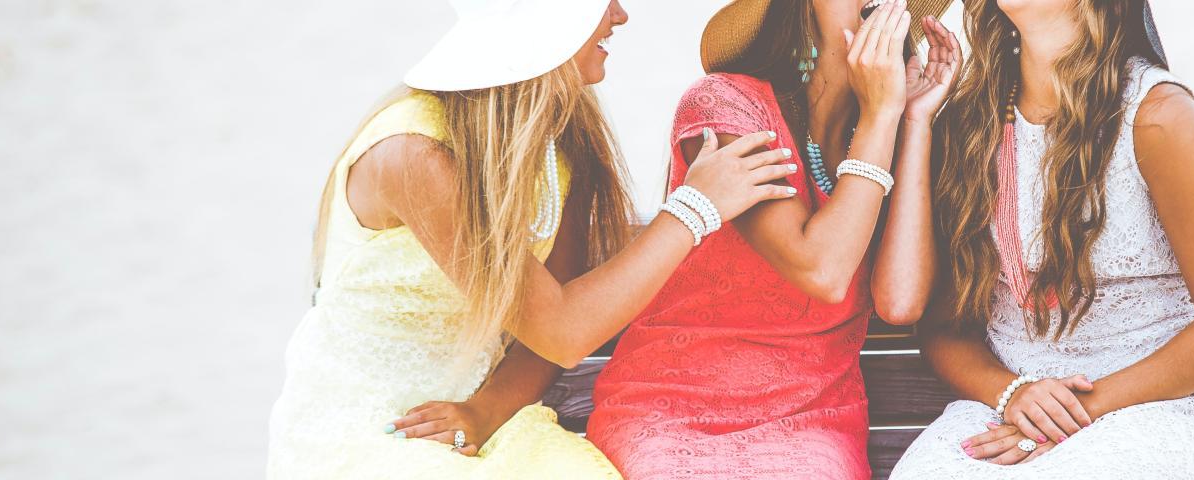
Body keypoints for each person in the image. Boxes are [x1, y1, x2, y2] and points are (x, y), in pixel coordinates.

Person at [266, 0, 799, 477]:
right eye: (600, 2)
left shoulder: (561, 133)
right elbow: (563, 330)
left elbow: (555, 322)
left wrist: (485, 412)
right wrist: (693, 208)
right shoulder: (414, 155)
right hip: (370, 423)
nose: (619, 14)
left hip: (489, 411)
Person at [886, 0, 1194, 478]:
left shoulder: (1157, 117)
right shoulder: (970, 121)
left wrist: (1069, 416)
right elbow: (946, 328)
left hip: (1162, 406)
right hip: (1012, 405)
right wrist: (1013, 393)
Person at [583, 0, 958, 478]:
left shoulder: (891, 129)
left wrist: (912, 121)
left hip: (812, 418)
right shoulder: (723, 103)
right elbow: (819, 269)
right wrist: (881, 119)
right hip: (671, 410)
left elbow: (899, 303)